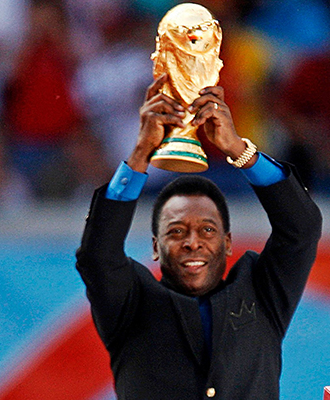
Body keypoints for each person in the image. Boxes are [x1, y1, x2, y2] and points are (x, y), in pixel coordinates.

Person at [75, 74, 322, 399]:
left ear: (228, 242)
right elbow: (98, 256)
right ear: (155, 247)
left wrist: (238, 150)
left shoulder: (262, 295)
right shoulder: (131, 305)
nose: (193, 241)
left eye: (207, 229)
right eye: (176, 231)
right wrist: (140, 154)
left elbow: (301, 228)